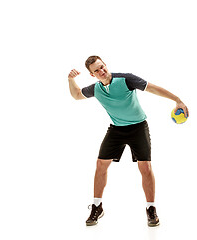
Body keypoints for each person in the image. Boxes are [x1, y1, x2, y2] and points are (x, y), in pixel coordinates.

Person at [68, 56, 189, 227]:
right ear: (92, 74)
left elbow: (153, 88)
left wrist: (178, 100)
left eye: (102, 67)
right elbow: (77, 95)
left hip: (138, 127)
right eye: (96, 70)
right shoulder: (96, 89)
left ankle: (151, 209)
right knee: (101, 164)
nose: (101, 71)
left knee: (145, 167)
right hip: (116, 129)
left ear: (105, 65)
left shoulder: (126, 79)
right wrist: (70, 79)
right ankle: (97, 206)